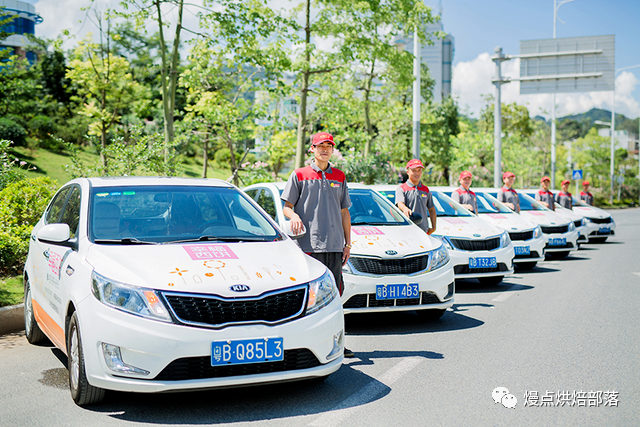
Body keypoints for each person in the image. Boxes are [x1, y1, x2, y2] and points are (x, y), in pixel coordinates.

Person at [281, 131, 354, 358]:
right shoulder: (299, 175)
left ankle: (338, 343)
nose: (324, 149)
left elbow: (345, 212)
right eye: (320, 146)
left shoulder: (340, 176)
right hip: (307, 245)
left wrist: (348, 244)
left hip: (333, 245)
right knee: (308, 297)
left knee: (333, 296)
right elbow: (287, 206)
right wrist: (293, 216)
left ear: (332, 150)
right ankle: (303, 343)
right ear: (312, 149)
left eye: (328, 146)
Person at [395, 159, 437, 234]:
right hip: (407, 230)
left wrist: (434, 227)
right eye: (414, 170)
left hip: (423, 231)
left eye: (419, 170)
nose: (417, 173)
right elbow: (400, 203)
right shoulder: (401, 189)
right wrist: (405, 209)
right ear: (407, 172)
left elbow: (432, 210)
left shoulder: (426, 190)